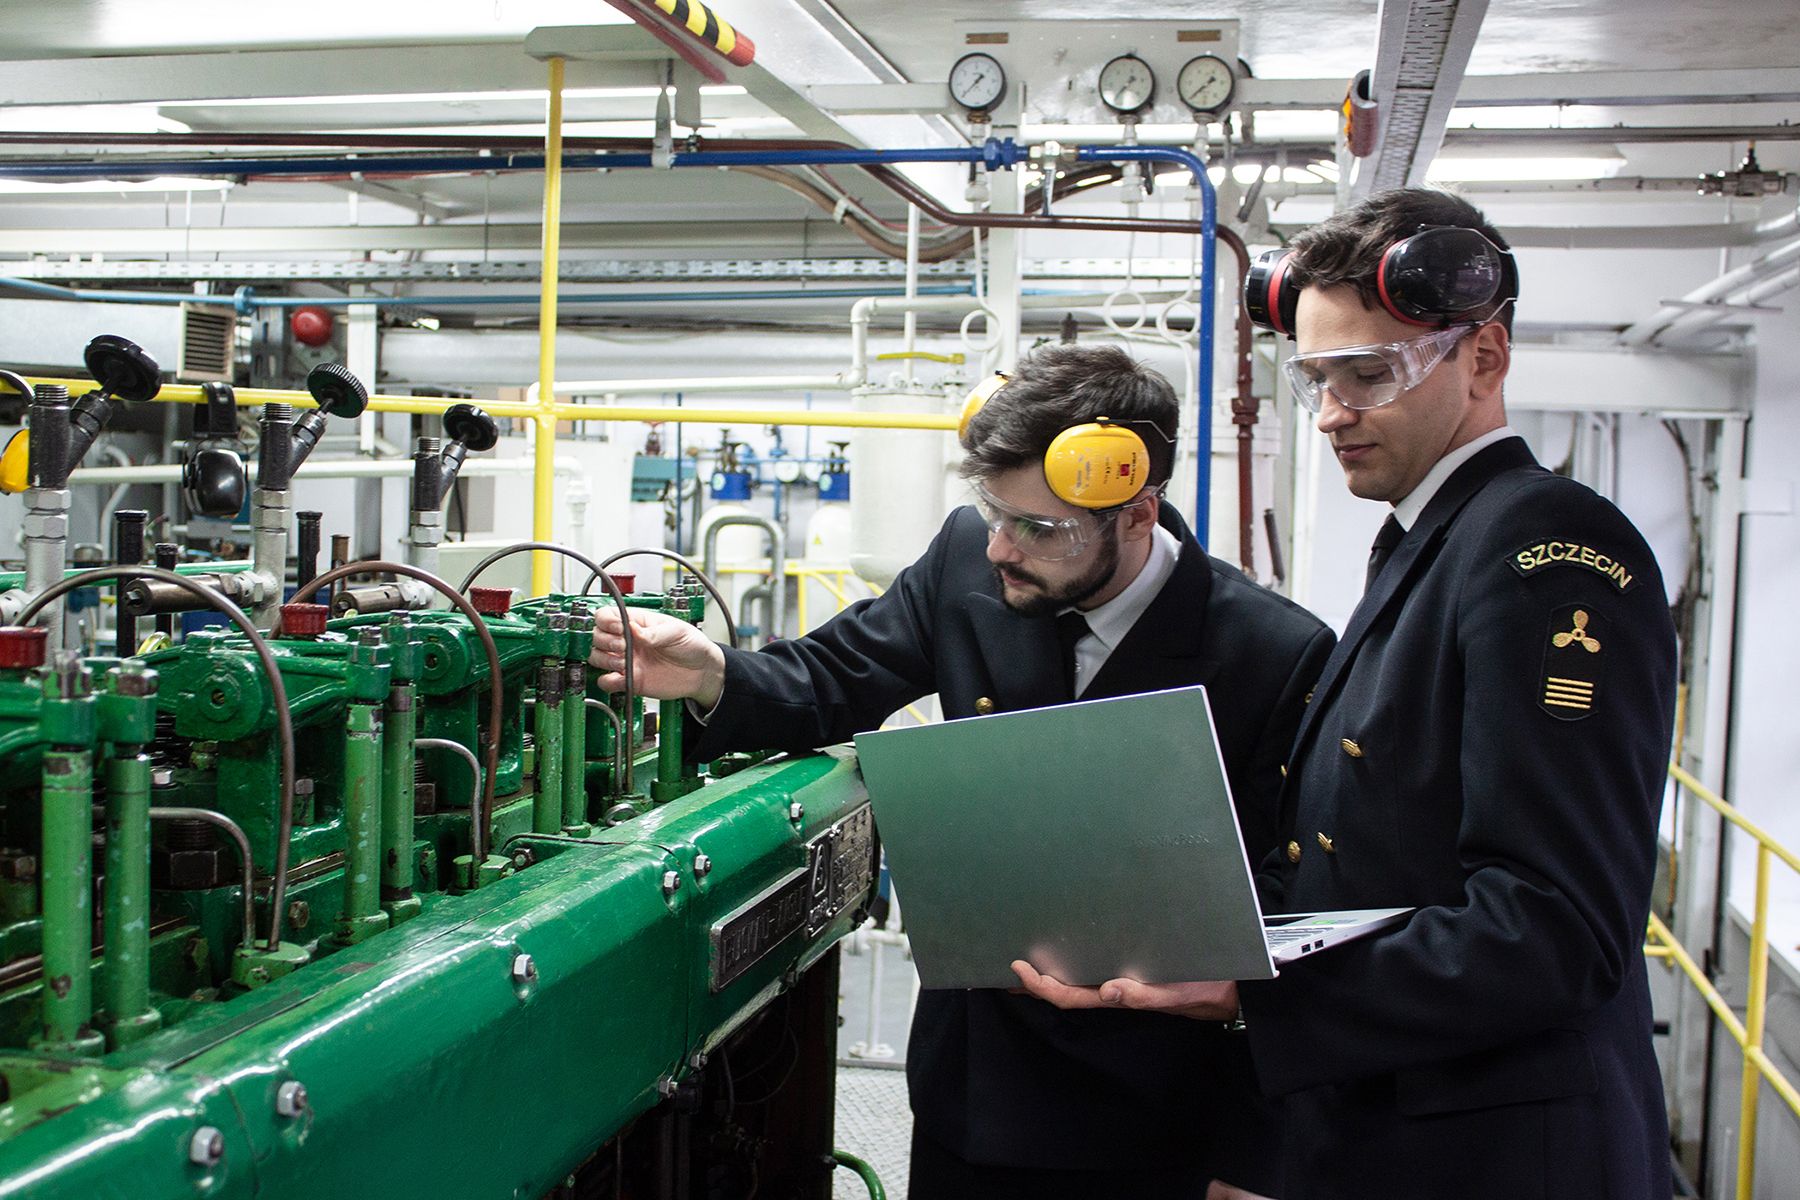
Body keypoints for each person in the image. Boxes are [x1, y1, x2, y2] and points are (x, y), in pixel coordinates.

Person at [1015, 190, 1678, 1200]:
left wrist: (1259, 990)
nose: (1331, 413)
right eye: (1316, 378)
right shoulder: (1433, 542)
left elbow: (1555, 927)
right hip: (1387, 1129)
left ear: (1485, 359)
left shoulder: (1547, 559)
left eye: (1368, 375)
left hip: (1495, 1154)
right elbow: (1372, 855)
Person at [589, 343, 1334, 1199]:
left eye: (1040, 528)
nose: (1001, 549)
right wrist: (714, 671)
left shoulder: (1272, 652)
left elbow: (1290, 900)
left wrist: (1254, 1160)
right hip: (979, 1087)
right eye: (993, 511)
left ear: (1138, 511)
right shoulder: (964, 563)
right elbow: (837, 677)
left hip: (1159, 1111)